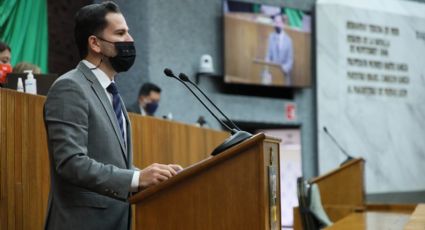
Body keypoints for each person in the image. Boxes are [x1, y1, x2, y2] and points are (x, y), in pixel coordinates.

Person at [43, 2, 182, 230]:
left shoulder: (111, 92)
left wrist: (153, 175)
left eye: (128, 31)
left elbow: (111, 161)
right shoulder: (70, 87)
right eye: (120, 33)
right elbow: (70, 162)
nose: (129, 39)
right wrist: (136, 179)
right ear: (95, 43)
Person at [265, 14, 294, 85]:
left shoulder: (289, 41)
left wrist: (282, 70)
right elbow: (268, 55)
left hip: (283, 74)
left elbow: (290, 60)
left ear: (283, 24)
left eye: (279, 22)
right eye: (275, 22)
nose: (277, 24)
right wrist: (267, 69)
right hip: (272, 73)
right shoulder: (271, 37)